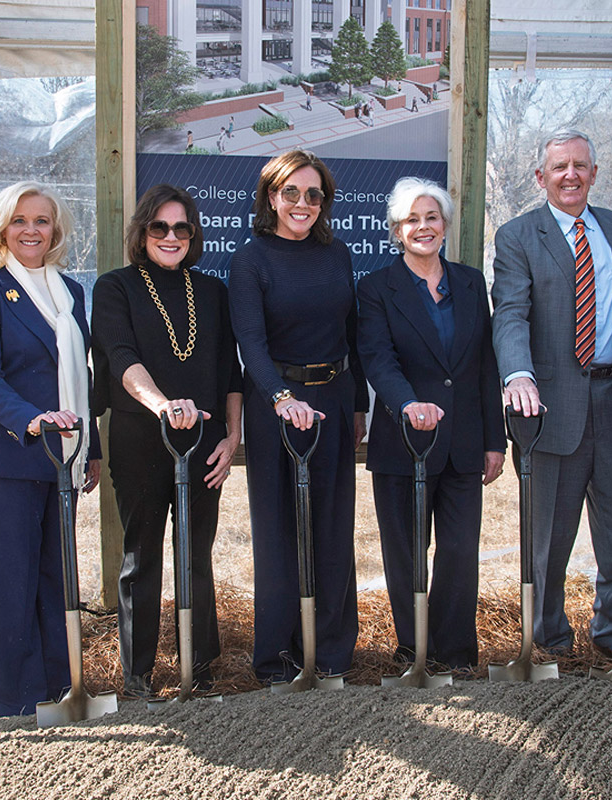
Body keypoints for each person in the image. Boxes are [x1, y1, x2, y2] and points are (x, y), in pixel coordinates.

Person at [491, 128, 612, 662]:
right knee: (548, 540)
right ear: (541, 177)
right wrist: (518, 375)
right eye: (560, 167)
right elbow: (510, 313)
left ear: (594, 173)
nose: (571, 175)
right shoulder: (518, 235)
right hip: (550, 409)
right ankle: (551, 643)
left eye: (580, 166)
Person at [92, 184, 242, 698]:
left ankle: (199, 667)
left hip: (204, 442)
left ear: (193, 235)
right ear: (142, 232)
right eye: (160, 226)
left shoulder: (213, 292)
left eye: (182, 227)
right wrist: (163, 406)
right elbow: (120, 355)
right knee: (141, 556)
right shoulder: (115, 287)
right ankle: (137, 674)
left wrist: (232, 437)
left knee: (196, 554)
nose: (171, 236)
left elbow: (230, 373)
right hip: (140, 439)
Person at [0, 182, 99, 716]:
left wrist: (91, 446)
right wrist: (31, 420)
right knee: (9, 583)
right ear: (2, 229)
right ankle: (8, 699)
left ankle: (57, 687)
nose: (31, 230)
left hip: (62, 459)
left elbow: (81, 377)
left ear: (55, 229)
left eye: (42, 220)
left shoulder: (71, 291)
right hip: (8, 458)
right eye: (19, 220)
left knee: (54, 579)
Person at [229, 149, 368, 684]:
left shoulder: (338, 254)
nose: (302, 203)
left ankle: (331, 653)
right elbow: (251, 344)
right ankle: (277, 658)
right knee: (278, 531)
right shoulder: (251, 260)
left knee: (332, 527)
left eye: (314, 194)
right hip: (276, 407)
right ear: (271, 196)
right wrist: (282, 399)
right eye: (291, 192)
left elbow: (351, 334)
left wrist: (358, 404)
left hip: (333, 401)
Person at [357, 177, 506, 670]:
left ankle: (456, 656)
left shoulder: (470, 283)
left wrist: (495, 440)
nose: (423, 227)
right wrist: (407, 404)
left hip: (464, 443)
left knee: (459, 553)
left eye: (432, 217)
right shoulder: (376, 288)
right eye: (412, 220)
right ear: (397, 230)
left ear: (445, 224)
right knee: (406, 554)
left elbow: (484, 365)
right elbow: (378, 359)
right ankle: (415, 651)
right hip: (403, 443)